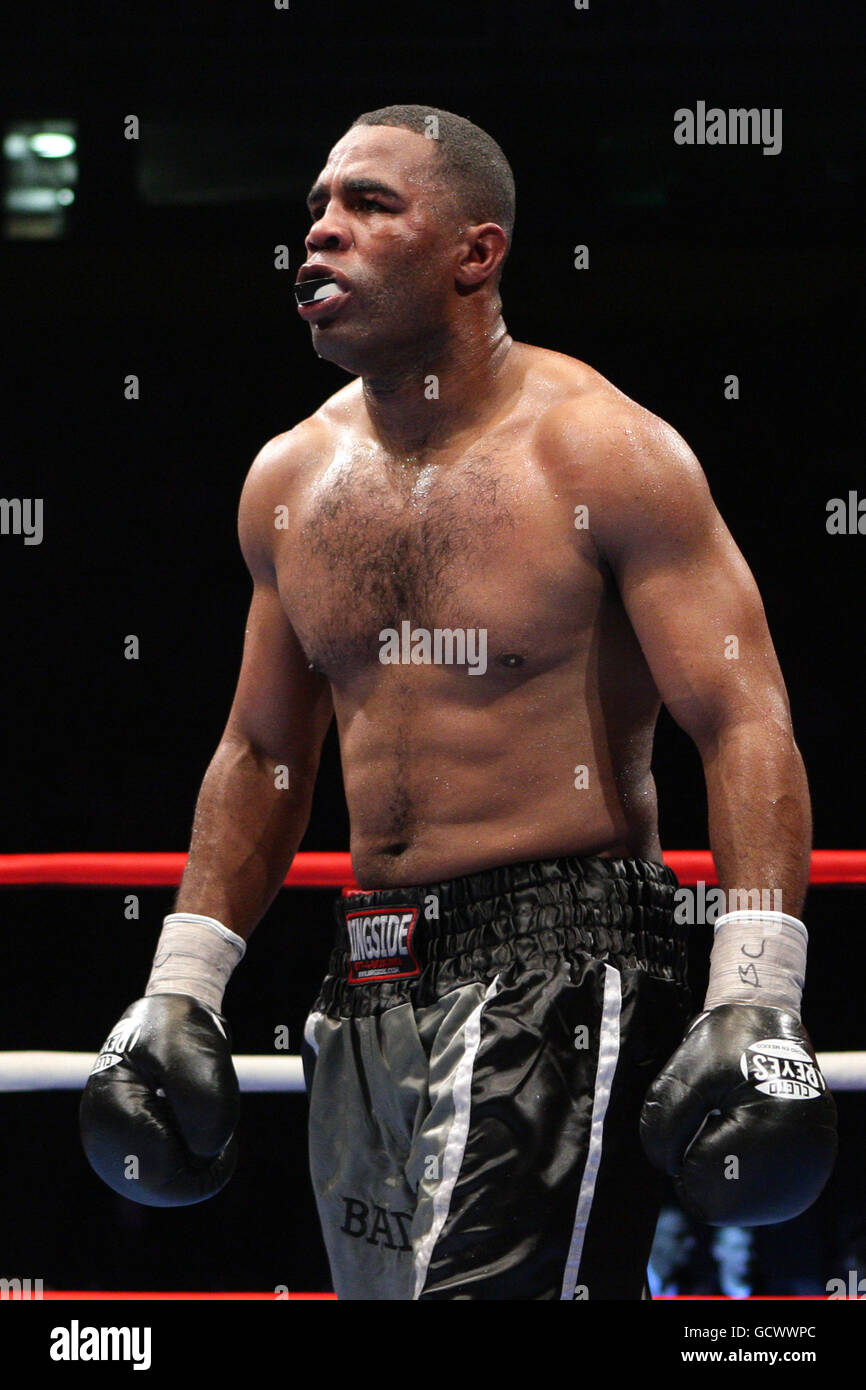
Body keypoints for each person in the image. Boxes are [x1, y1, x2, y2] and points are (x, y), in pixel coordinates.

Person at [80, 104, 837, 1300]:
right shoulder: (289, 478)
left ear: (474, 255)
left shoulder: (601, 454)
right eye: (316, 209)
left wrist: (756, 995)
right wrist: (181, 983)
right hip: (366, 971)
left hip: (564, 959)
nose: (320, 235)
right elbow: (263, 747)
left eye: (369, 207)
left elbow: (742, 721)